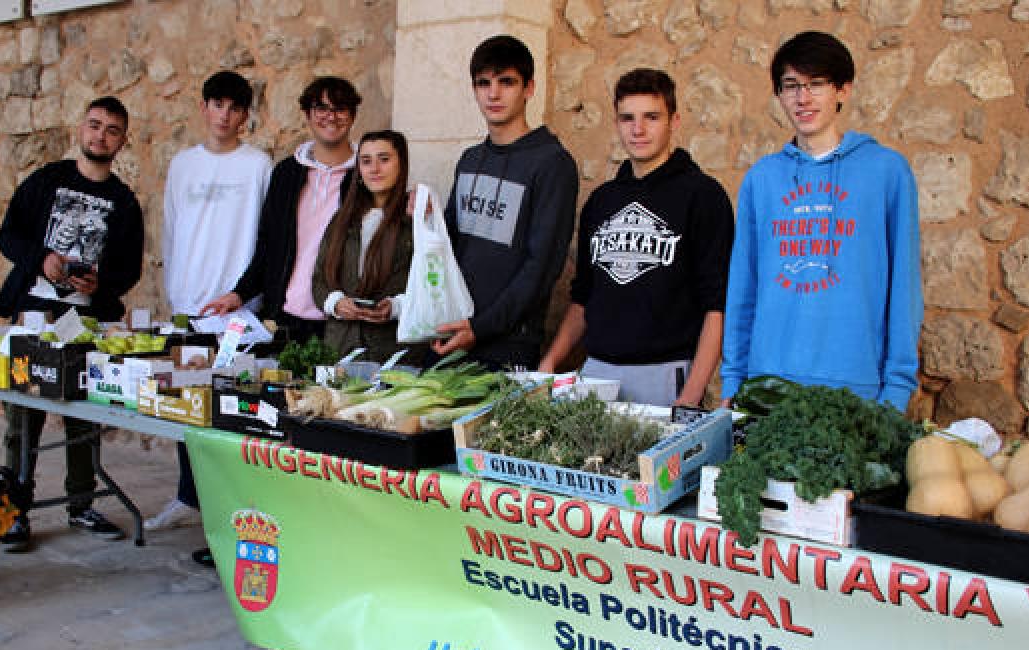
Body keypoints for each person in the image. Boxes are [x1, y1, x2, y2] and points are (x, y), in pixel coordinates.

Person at [720, 30, 921, 412]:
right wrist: (734, 378)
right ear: (779, 95)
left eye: (817, 84)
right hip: (768, 385)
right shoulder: (762, 179)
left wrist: (896, 391)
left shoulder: (886, 172)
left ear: (843, 90)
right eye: (791, 86)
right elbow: (743, 286)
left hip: (856, 388)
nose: (803, 98)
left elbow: (904, 287)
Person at [0, 96, 144, 549]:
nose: (100, 135)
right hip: (33, 315)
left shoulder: (123, 202)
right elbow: (7, 234)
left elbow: (129, 270)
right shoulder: (46, 181)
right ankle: (15, 511)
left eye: (112, 129)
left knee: (85, 418)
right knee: (22, 419)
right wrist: (43, 258)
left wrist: (102, 283)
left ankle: (82, 503)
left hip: (86, 321)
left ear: (122, 140)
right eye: (94, 125)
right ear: (81, 128)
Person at [538, 69, 732, 407]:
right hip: (596, 372)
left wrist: (691, 394)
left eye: (651, 117)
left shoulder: (702, 196)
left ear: (675, 121)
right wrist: (551, 362)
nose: (638, 129)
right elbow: (583, 297)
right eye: (627, 118)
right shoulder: (601, 201)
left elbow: (716, 306)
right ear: (616, 123)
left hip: (665, 375)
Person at [149, 71, 271, 532]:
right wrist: (177, 292)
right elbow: (172, 230)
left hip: (238, 311)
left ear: (245, 115)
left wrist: (245, 294)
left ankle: (230, 510)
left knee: (230, 411)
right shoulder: (182, 165)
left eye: (234, 107)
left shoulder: (258, 165)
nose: (224, 115)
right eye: (216, 104)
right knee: (186, 403)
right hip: (189, 304)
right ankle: (187, 497)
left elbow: (264, 237)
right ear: (203, 108)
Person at [433, 35, 579, 370]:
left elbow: (541, 269)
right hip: (452, 336)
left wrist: (480, 327)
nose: (493, 94)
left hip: (507, 345)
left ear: (529, 88)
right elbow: (452, 247)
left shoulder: (552, 164)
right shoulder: (469, 160)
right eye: (483, 83)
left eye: (506, 82)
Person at [201, 76, 361, 342]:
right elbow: (267, 245)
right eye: (321, 108)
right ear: (307, 115)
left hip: (339, 322)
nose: (330, 116)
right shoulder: (287, 173)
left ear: (352, 116)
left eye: (340, 108)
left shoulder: (365, 177)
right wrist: (239, 293)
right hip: (285, 317)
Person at [311, 129, 425, 365]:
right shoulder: (342, 219)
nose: (374, 169)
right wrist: (336, 304)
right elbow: (319, 278)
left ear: (401, 164)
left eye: (384, 159)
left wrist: (396, 307)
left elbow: (434, 286)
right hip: (341, 347)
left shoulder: (417, 219)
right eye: (366, 161)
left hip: (393, 351)